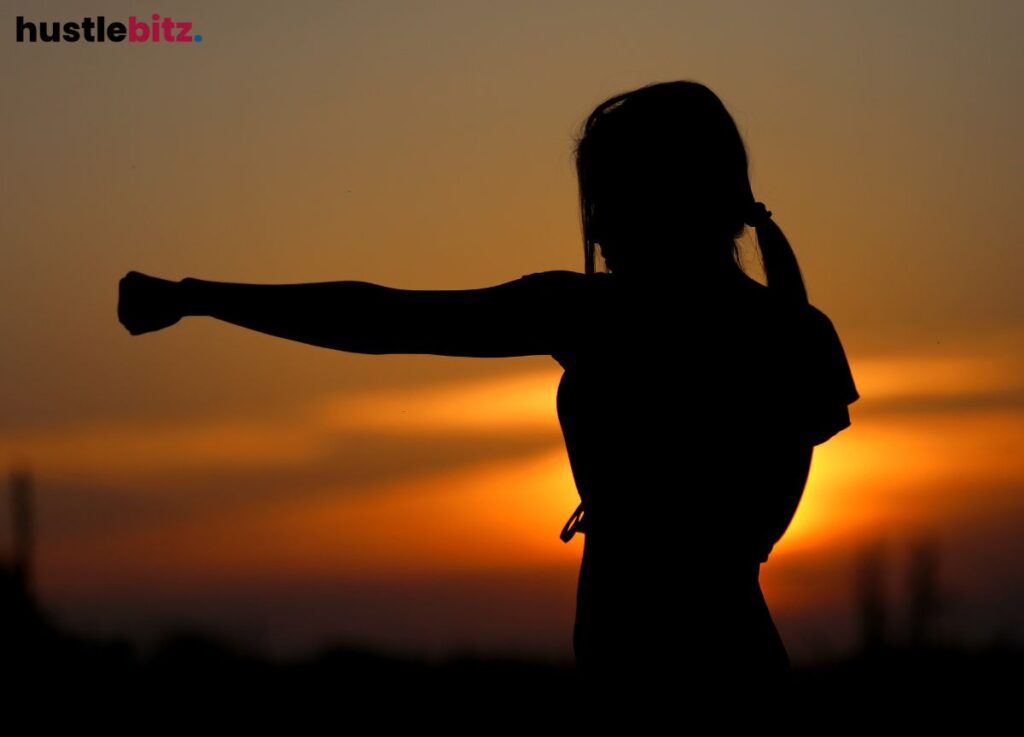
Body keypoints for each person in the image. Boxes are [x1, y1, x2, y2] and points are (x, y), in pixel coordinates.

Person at [118, 80, 859, 695]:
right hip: (738, 664)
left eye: (609, 198)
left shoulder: (599, 317)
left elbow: (381, 317)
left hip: (650, 678)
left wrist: (200, 296)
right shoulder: (798, 334)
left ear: (662, 195)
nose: (596, 228)